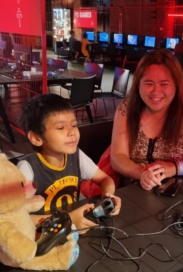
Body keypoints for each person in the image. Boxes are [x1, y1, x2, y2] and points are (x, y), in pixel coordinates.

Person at [111, 49, 183, 189]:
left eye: (164, 84)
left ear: (176, 85)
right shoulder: (127, 108)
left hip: (180, 194)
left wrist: (174, 168)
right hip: (134, 193)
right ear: (138, 85)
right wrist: (143, 174)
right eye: (149, 83)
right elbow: (118, 157)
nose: (156, 92)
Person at [18, 94, 121, 233]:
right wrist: (69, 218)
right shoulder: (27, 168)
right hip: (43, 236)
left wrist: (108, 196)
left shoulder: (76, 156)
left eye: (74, 125)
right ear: (36, 138)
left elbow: (104, 179)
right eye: (61, 128)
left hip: (72, 230)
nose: (72, 132)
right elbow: (17, 217)